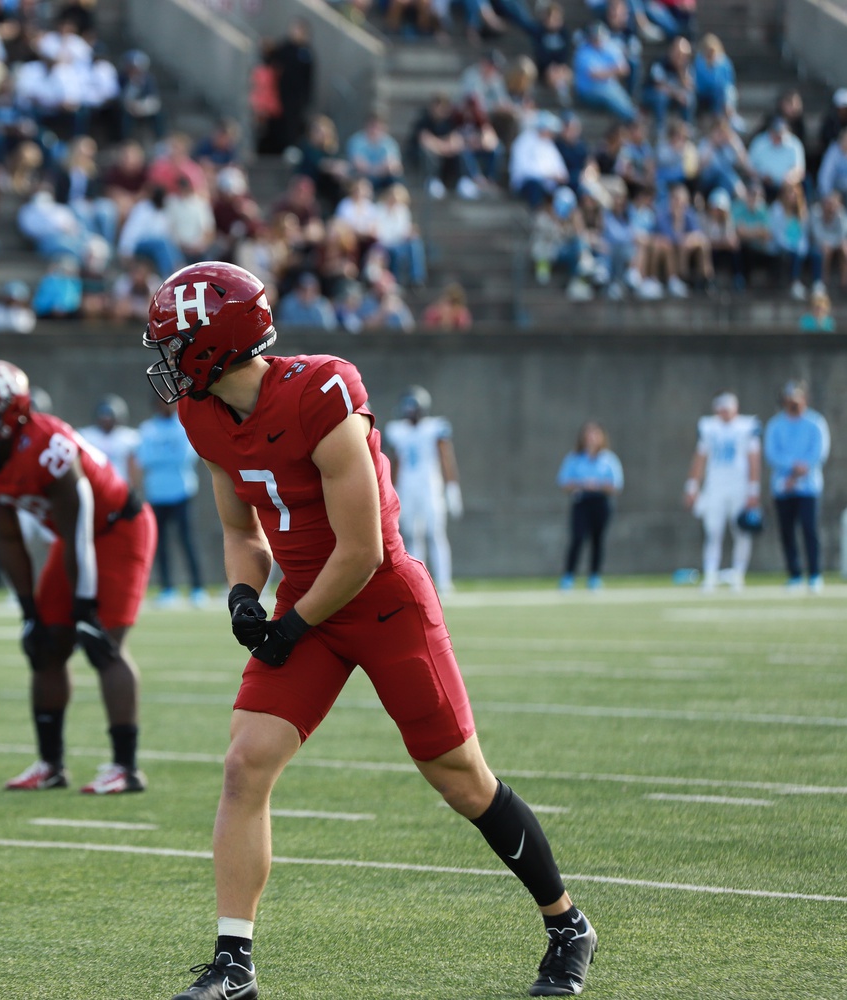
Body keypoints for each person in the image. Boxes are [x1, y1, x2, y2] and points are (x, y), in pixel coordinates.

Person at [142, 261, 595, 1000]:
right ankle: (234, 964)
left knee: (460, 779)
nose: (164, 361)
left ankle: (566, 922)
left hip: (382, 601)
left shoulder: (323, 391)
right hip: (305, 607)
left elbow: (363, 552)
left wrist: (292, 624)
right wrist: (241, 596)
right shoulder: (202, 415)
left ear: (213, 344)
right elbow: (242, 531)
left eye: (173, 343)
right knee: (244, 763)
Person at [0, 360, 156, 794]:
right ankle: (51, 765)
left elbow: (80, 527)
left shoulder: (50, 445)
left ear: (12, 412)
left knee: (102, 645)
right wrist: (28, 611)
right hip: (72, 538)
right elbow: (7, 537)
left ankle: (126, 767)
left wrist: (85, 607)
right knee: (45, 646)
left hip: (116, 529)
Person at [381, 387, 463, 593]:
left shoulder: (434, 427)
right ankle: (419, 581)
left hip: (430, 487)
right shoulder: (396, 430)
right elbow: (394, 463)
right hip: (406, 489)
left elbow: (446, 457)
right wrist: (390, 491)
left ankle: (444, 582)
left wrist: (452, 487)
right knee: (411, 534)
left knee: (435, 533)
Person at [684, 392, 760, 593]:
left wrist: (754, 489)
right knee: (712, 531)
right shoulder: (710, 428)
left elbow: (754, 459)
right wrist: (692, 486)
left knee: (741, 532)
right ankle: (710, 574)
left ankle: (738, 574)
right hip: (715, 486)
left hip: (739, 487)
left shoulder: (746, 427)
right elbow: (700, 458)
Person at [137, 397, 208, 610]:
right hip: (157, 494)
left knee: (187, 541)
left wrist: (161, 457)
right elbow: (144, 458)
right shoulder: (147, 428)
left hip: (181, 492)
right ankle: (167, 589)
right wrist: (166, 456)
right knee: (160, 545)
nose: (164, 406)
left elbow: (185, 456)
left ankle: (197, 588)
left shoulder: (183, 425)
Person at [764, 380, 831, 593]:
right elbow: (772, 453)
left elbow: (818, 452)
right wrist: (791, 469)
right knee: (787, 532)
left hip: (809, 487)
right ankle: (794, 575)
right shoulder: (775, 424)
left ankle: (814, 575)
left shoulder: (815, 422)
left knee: (810, 530)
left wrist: (801, 470)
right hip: (783, 487)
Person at [557, 421, 624, 590]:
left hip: (600, 502)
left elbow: (616, 485)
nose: (591, 438)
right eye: (588, 434)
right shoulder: (574, 458)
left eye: (595, 434)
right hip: (581, 501)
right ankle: (568, 577)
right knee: (578, 538)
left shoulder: (609, 459)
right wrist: (583, 484)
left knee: (598, 540)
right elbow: (564, 482)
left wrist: (599, 485)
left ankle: (594, 577)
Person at [77, 394, 142, 486]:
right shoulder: (87, 435)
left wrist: (133, 486)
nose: (106, 418)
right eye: (103, 414)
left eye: (109, 414)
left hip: (120, 486)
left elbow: (134, 466)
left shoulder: (129, 438)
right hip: (95, 485)